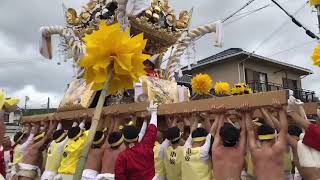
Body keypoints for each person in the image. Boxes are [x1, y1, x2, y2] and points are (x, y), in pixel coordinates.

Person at [245, 101, 288, 180]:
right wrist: (280, 110)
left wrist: (247, 113)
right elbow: (284, 129)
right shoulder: (277, 149)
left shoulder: (254, 150)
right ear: (273, 137)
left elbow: (250, 130)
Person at [97, 113, 147, 180]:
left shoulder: (106, 148)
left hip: (100, 177)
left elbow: (110, 134)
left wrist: (114, 119)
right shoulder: (122, 149)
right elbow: (131, 135)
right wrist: (134, 118)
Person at [115, 103, 158, 180]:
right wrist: (154, 113)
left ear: (124, 141)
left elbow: (119, 177)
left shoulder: (122, 157)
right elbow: (152, 130)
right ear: (138, 138)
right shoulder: (146, 147)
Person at [212, 108, 246, 180]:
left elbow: (218, 132)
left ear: (222, 138)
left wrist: (222, 114)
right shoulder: (239, 151)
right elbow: (244, 131)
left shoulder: (215, 150)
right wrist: (240, 116)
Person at [181, 112, 213, 180]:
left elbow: (191, 135)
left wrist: (196, 119)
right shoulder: (203, 152)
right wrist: (206, 118)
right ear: (202, 141)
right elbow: (211, 133)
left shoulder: (185, 149)